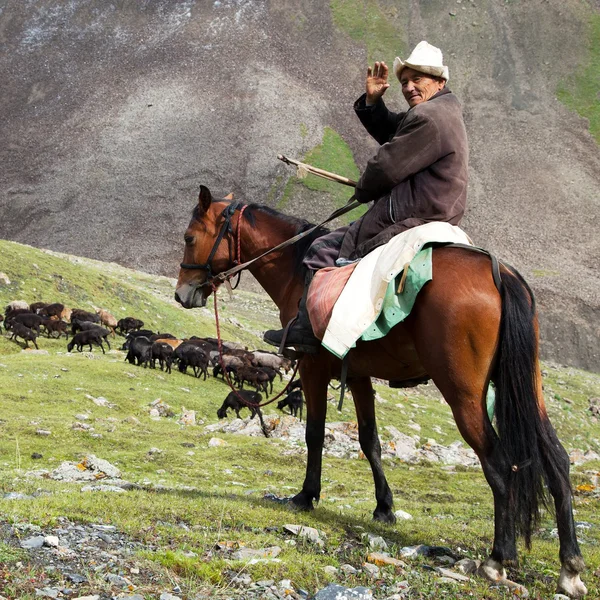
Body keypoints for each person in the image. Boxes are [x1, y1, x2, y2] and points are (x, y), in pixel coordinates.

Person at [264, 41, 469, 355]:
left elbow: (386, 166)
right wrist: (374, 103)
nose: (410, 87)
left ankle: (306, 328)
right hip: (436, 210)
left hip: (413, 213)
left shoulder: (429, 117)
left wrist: (364, 188)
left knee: (322, 247)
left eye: (419, 80)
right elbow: (398, 132)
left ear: (440, 82)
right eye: (404, 82)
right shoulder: (440, 111)